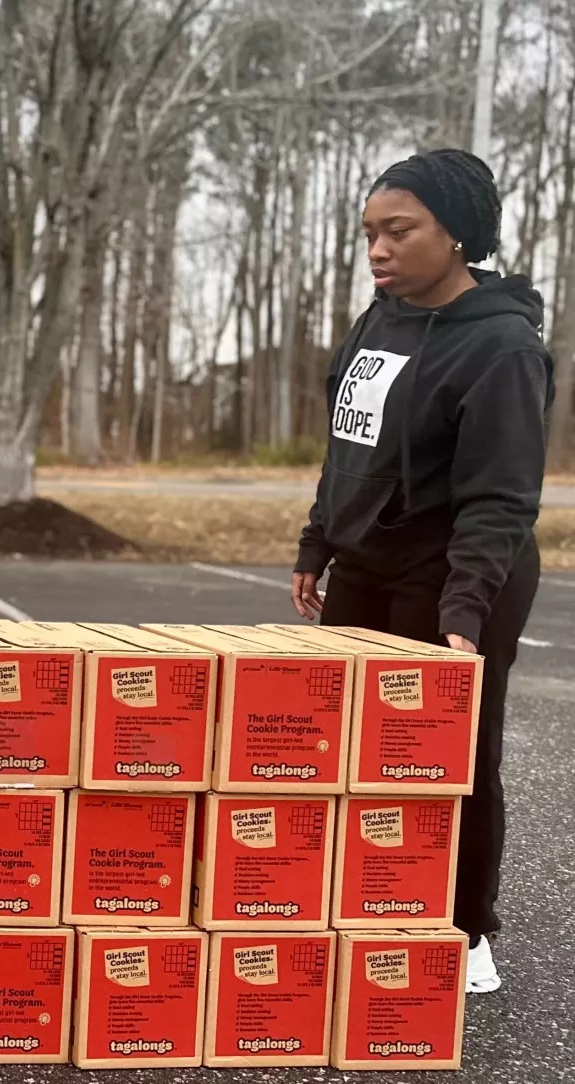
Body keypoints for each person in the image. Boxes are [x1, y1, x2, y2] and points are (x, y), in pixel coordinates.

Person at [291, 148, 551, 995]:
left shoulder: (505, 348)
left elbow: (502, 499)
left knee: (452, 757)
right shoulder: (379, 319)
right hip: (370, 563)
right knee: (354, 750)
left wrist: (464, 612)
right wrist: (318, 541)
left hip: (458, 577)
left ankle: (467, 931)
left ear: (459, 234)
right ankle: (366, 907)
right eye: (369, 233)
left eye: (398, 231)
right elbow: (349, 446)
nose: (378, 249)